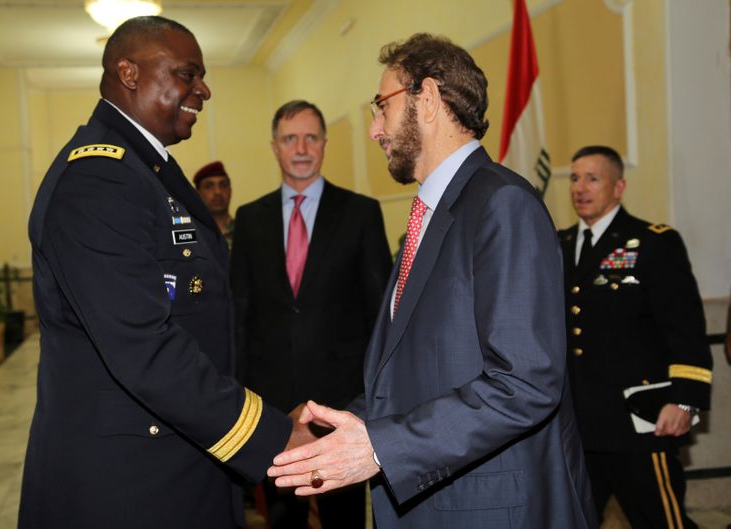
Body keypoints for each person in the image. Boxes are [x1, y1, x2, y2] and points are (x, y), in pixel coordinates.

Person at [267, 33, 597, 529]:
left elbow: (525, 382)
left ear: (427, 99)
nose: (375, 130)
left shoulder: (501, 204)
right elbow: (413, 371)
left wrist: (381, 448)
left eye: (381, 107)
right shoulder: (429, 216)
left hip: (490, 508)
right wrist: (337, 426)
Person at [19, 16, 307, 529]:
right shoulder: (100, 179)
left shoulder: (144, 170)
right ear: (129, 73)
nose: (203, 90)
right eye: (187, 74)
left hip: (177, 454)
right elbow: (143, 345)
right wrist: (273, 437)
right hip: (128, 484)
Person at [230, 99, 392, 529]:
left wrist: (372, 400)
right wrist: (241, 396)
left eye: (310, 137)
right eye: (290, 138)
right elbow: (240, 313)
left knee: (343, 519)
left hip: (340, 407)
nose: (301, 148)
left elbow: (381, 315)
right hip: (270, 406)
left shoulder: (361, 213)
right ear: (274, 147)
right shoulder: (249, 220)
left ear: (324, 144)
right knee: (282, 517)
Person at [559, 145, 713, 528]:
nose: (580, 187)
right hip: (577, 427)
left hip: (638, 423)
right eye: (575, 178)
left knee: (662, 522)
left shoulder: (652, 243)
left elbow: (686, 327)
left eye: (592, 178)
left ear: (618, 186)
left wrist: (685, 401)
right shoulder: (556, 245)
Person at [193, 160, 234, 247]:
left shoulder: (245, 231)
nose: (218, 192)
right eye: (209, 186)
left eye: (223, 185)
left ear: (230, 191)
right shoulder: (192, 233)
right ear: (198, 193)